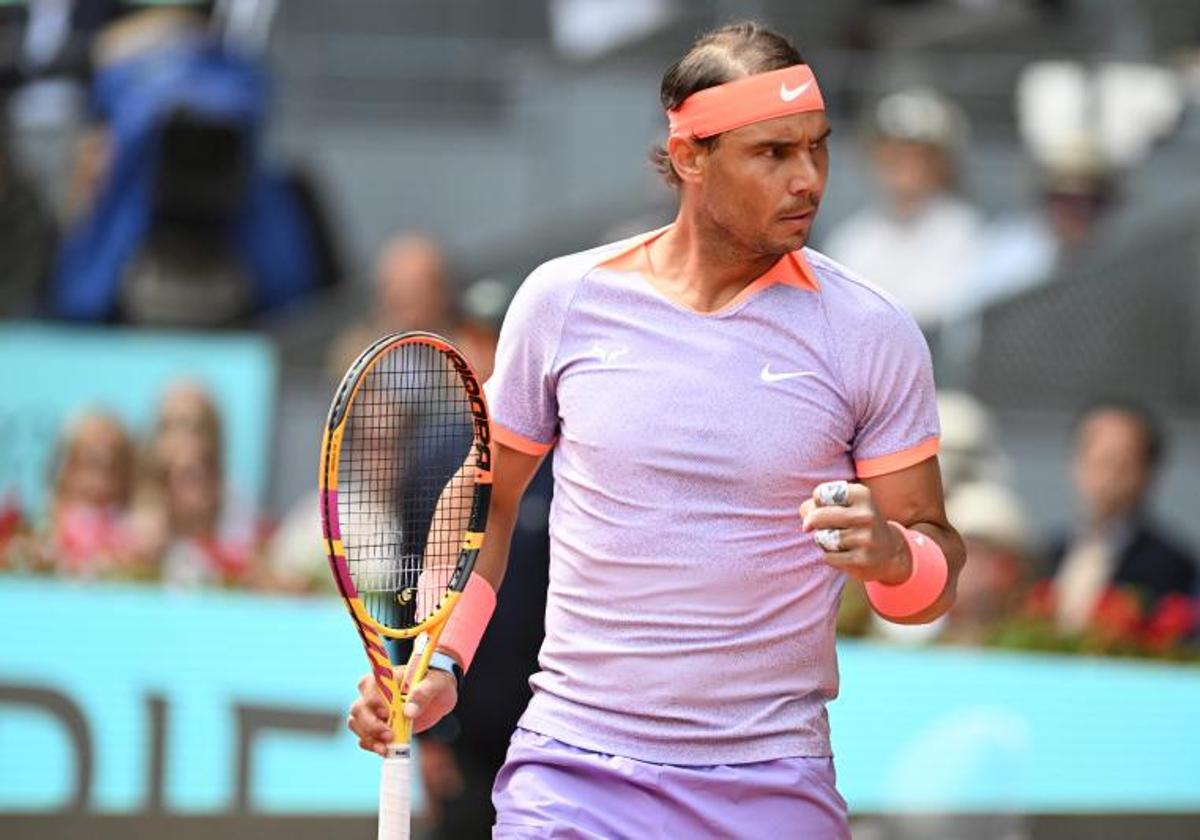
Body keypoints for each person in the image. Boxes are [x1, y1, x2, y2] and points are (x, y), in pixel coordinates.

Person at [348, 22, 964, 836]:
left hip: (770, 784)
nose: (807, 177)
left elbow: (934, 577)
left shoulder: (871, 334)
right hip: (573, 773)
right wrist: (440, 660)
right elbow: (486, 507)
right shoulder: (562, 301)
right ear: (689, 157)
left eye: (817, 147)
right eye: (772, 153)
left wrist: (894, 557)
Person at [822, 86, 982, 331]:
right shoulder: (851, 239)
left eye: (920, 158)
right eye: (895, 158)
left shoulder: (966, 232)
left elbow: (945, 313)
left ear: (943, 165)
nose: (907, 172)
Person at [1043, 400, 1196, 634]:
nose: (1107, 477)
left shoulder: (1171, 566)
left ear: (1149, 473)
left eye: (1122, 464)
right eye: (1098, 460)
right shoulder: (1047, 555)